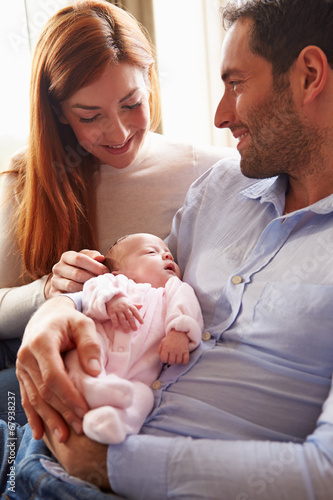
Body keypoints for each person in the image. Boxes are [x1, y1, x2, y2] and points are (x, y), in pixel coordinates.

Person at [3, 0, 333, 498]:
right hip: (45, 442)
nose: (219, 115)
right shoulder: (221, 185)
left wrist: (109, 465)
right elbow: (142, 276)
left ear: (310, 75)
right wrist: (55, 313)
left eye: (236, 83)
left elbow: (323, 472)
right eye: (89, 115)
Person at [0, 0, 233, 408]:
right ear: (58, 113)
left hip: (160, 392)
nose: (120, 132)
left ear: (150, 82)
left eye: (131, 104)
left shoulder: (213, 172)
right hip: (52, 384)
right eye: (90, 116)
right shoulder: (27, 182)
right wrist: (47, 292)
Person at [65, 233, 202, 444]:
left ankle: (116, 422)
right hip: (98, 351)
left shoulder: (174, 289)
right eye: (151, 252)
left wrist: (179, 332)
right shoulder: (115, 282)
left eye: (170, 255)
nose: (167, 255)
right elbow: (93, 290)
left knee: (144, 397)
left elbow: (186, 307)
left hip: (138, 375)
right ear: (121, 271)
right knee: (76, 357)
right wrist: (112, 300)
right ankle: (91, 388)